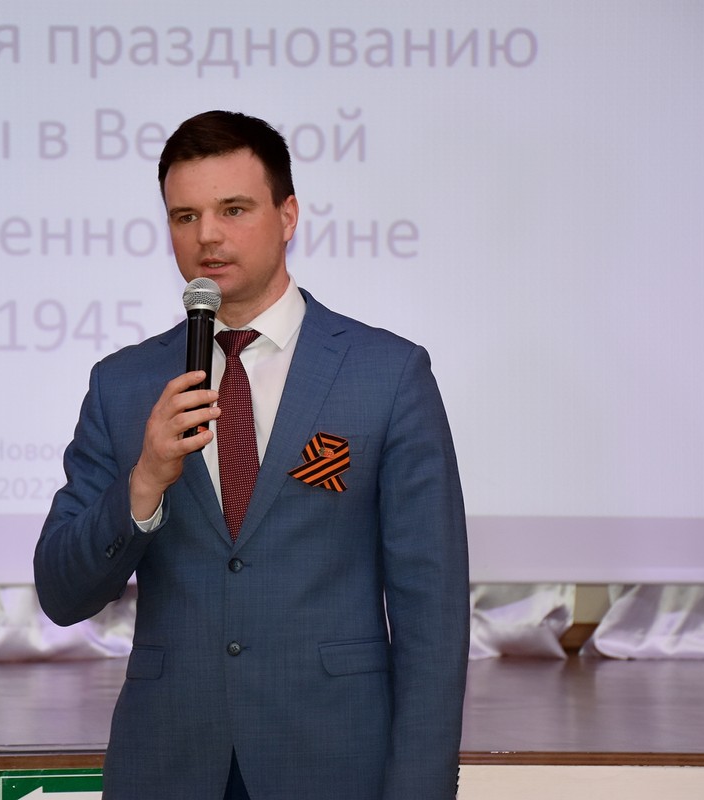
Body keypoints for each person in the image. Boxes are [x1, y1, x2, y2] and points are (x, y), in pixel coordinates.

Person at [34, 110, 469, 799]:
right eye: (185, 216)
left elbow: (432, 612)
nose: (207, 235)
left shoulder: (386, 375)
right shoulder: (124, 385)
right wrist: (144, 482)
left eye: (233, 210)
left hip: (332, 762)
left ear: (288, 215)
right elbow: (61, 594)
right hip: (168, 766)